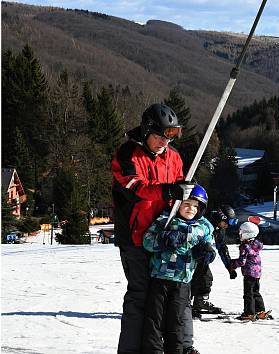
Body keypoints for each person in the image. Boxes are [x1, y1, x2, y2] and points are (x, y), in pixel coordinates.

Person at [111, 103, 200, 354]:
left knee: (168, 298)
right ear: (147, 130)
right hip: (136, 237)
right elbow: (135, 187)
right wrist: (167, 190)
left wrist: (187, 197)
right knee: (140, 296)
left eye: (170, 136)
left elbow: (180, 194)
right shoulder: (128, 153)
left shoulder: (173, 157)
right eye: (160, 136)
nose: (165, 142)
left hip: (165, 236)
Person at [142, 184, 215, 353]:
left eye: (196, 206)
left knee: (176, 323)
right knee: (154, 321)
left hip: (182, 282)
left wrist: (207, 254)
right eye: (187, 204)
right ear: (177, 204)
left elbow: (209, 247)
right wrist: (163, 240)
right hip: (160, 279)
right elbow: (147, 241)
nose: (191, 209)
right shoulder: (166, 221)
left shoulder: (203, 228)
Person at [190, 205, 239, 318]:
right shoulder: (203, 223)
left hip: (202, 258)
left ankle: (200, 302)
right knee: (193, 279)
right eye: (228, 221)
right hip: (190, 257)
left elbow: (222, 247)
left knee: (206, 278)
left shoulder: (219, 229)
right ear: (220, 217)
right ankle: (185, 304)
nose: (228, 225)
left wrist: (229, 267)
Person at [230, 222, 268, 321]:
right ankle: (260, 311)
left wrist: (232, 264)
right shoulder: (256, 244)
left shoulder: (245, 246)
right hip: (257, 273)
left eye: (241, 232)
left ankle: (249, 313)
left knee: (248, 293)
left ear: (247, 234)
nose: (239, 234)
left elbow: (242, 262)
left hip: (249, 273)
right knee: (255, 292)